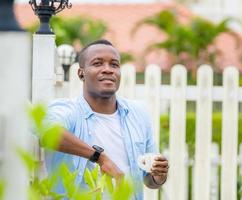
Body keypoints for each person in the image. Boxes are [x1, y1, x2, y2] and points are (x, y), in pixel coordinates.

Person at [45, 39, 169, 199]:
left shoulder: (139, 113)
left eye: (114, 64)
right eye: (97, 63)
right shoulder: (68, 110)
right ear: (81, 73)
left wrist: (159, 176)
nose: (108, 70)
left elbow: (149, 181)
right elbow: (47, 133)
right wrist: (100, 158)